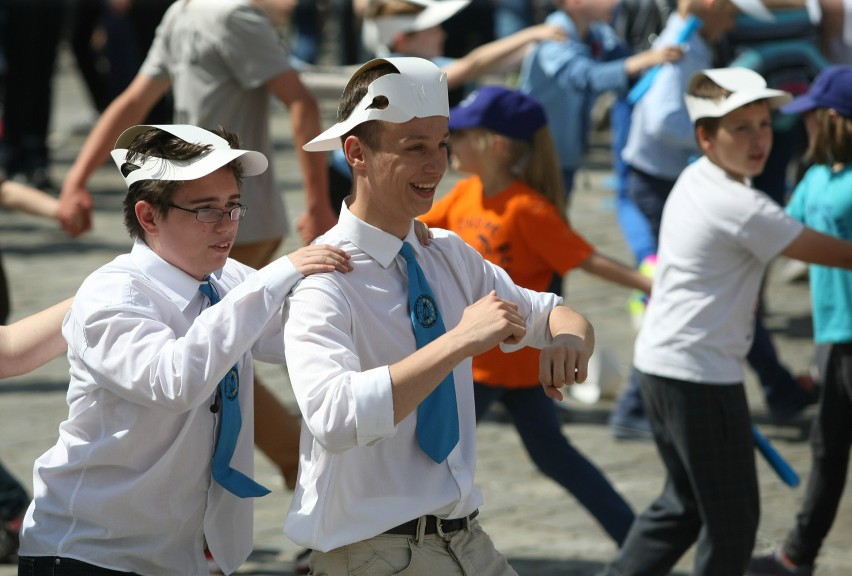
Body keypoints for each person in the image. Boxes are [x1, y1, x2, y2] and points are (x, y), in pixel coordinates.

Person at [282, 56, 595, 575]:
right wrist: (459, 341)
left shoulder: (447, 252)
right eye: (415, 148)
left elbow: (558, 313)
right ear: (356, 153)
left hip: (465, 541)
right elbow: (335, 419)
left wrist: (568, 342)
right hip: (372, 554)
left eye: (443, 145)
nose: (437, 166)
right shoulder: (325, 276)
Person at [17, 124, 352, 575]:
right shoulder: (111, 295)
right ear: (149, 216)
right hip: (87, 553)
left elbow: (297, 333)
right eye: (205, 210)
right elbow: (174, 381)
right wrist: (277, 276)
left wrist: (374, 249)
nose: (227, 225)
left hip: (175, 556)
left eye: (233, 206)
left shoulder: (225, 279)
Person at [56, 0, 337, 494]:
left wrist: (318, 206)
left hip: (227, 216)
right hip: (185, 213)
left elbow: (301, 101)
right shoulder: (183, 12)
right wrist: (76, 178)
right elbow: (134, 101)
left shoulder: (233, 17)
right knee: (217, 352)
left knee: (223, 352)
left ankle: (302, 472)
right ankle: (292, 473)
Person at [598, 67, 852, 576]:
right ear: (706, 137)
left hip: (666, 366)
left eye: (763, 124)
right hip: (698, 376)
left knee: (683, 508)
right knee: (732, 522)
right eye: (740, 128)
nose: (759, 139)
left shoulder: (701, 177)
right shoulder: (740, 205)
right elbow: (837, 253)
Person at [420, 85, 648, 546]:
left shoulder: (528, 209)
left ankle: (639, 543)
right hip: (480, 362)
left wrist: (652, 287)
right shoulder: (465, 194)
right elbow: (414, 231)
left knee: (429, 455)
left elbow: (585, 258)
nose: (451, 143)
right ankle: (639, 541)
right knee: (535, 456)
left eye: (461, 134)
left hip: (516, 364)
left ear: (496, 144)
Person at [608, 0, 820, 439]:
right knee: (683, 288)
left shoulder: (699, 41)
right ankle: (634, 407)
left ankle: (777, 386)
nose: (736, 19)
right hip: (660, 179)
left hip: (679, 173)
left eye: (761, 125)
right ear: (706, 5)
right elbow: (663, 120)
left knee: (716, 289)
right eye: (730, 9)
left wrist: (723, 141)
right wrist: (718, 140)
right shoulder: (683, 46)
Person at [746, 65, 852, 576]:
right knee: (828, 448)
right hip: (833, 336)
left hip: (843, 338)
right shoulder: (816, 177)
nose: (801, 126)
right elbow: (777, 237)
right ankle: (798, 554)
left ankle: (797, 554)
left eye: (808, 116)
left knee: (829, 448)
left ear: (831, 118)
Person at [517, 0, 683, 200]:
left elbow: (623, 61)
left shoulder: (597, 32)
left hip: (565, 155)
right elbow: (585, 77)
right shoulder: (554, 34)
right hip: (536, 158)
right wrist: (648, 59)